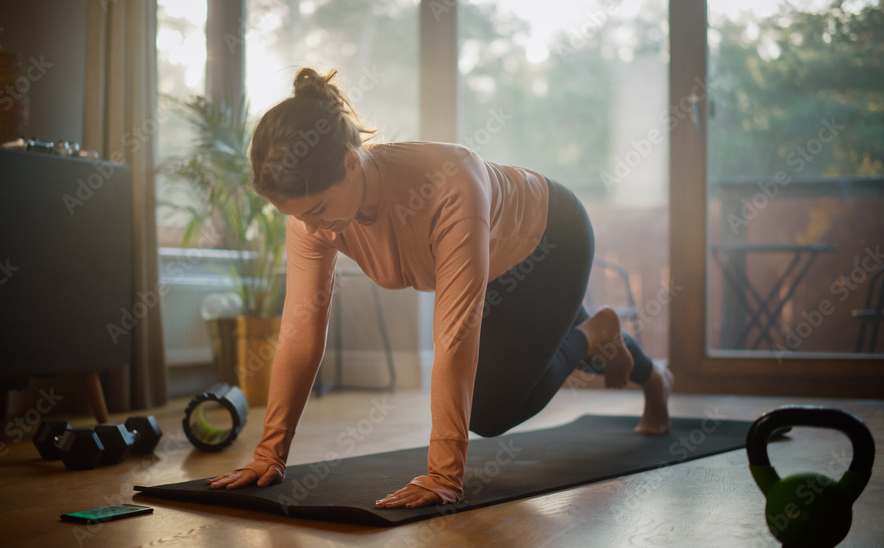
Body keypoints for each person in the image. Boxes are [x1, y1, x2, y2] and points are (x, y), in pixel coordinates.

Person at [207, 67, 674, 509]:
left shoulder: (447, 182)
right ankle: (624, 354)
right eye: (299, 216)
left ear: (351, 164)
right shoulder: (312, 219)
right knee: (536, 353)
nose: (314, 227)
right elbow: (300, 329)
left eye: (320, 210)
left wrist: (444, 474)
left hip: (549, 245)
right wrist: (271, 452)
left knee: (489, 411)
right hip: (491, 258)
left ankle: (600, 334)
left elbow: (454, 335)